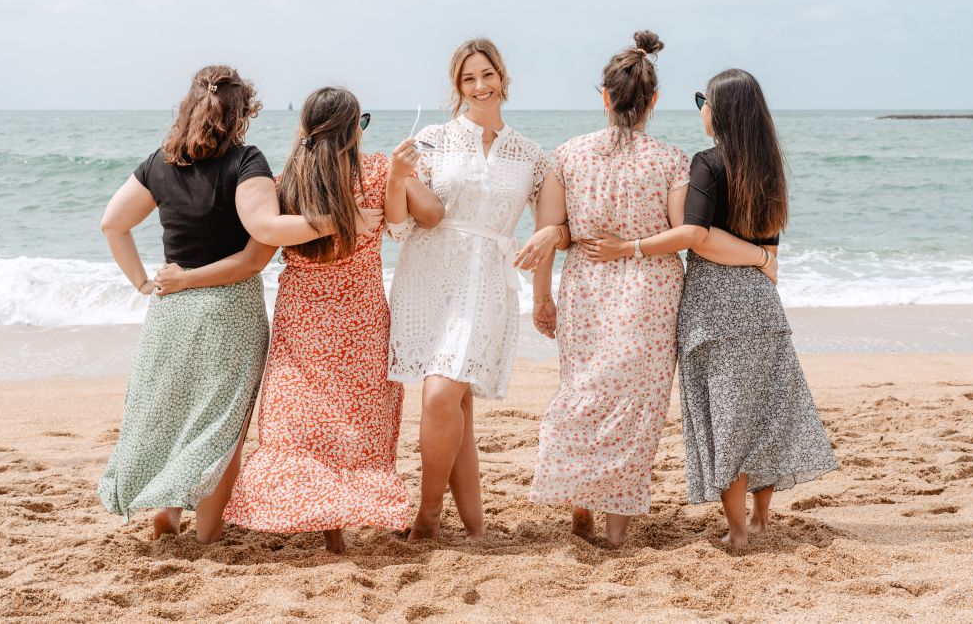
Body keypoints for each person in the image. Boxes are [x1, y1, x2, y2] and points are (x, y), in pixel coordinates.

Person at [98, 66, 383, 544]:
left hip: (170, 310)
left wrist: (145, 282)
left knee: (171, 414)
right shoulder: (246, 162)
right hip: (227, 310)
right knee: (222, 429)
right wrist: (340, 220)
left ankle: (165, 520)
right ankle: (209, 536)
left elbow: (112, 224)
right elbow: (262, 241)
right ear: (241, 115)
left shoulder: (160, 162)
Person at [599, 68, 837, 549]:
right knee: (765, 413)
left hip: (714, 306)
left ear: (721, 110)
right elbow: (770, 247)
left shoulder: (706, 163)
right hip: (762, 301)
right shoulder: (769, 168)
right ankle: (761, 520)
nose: (700, 109)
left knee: (726, 420)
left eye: (702, 100)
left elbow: (696, 237)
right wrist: (762, 261)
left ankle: (736, 534)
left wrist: (628, 247)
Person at [219, 87, 443, 553]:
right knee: (356, 423)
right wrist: (403, 175)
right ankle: (346, 518)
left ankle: (328, 527)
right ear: (352, 129)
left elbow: (256, 247)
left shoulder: (286, 182)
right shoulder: (379, 169)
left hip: (302, 318)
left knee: (302, 424)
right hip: (361, 316)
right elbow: (432, 214)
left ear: (306, 129)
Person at [386, 38, 566, 541]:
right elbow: (400, 226)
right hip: (428, 273)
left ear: (503, 78)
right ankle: (474, 525)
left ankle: (426, 518)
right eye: (469, 79)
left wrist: (542, 296)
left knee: (442, 393)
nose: (480, 86)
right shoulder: (433, 139)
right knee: (454, 400)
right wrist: (397, 177)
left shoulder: (532, 156)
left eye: (486, 75)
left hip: (488, 279)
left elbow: (547, 233)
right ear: (457, 87)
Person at [525, 31, 695, 546]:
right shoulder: (671, 160)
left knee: (584, 392)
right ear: (654, 101)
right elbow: (681, 236)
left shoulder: (566, 156)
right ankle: (617, 531)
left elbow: (548, 234)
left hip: (586, 287)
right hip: (650, 291)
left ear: (604, 96)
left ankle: (580, 501)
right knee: (637, 407)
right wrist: (635, 245)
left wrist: (541, 297)